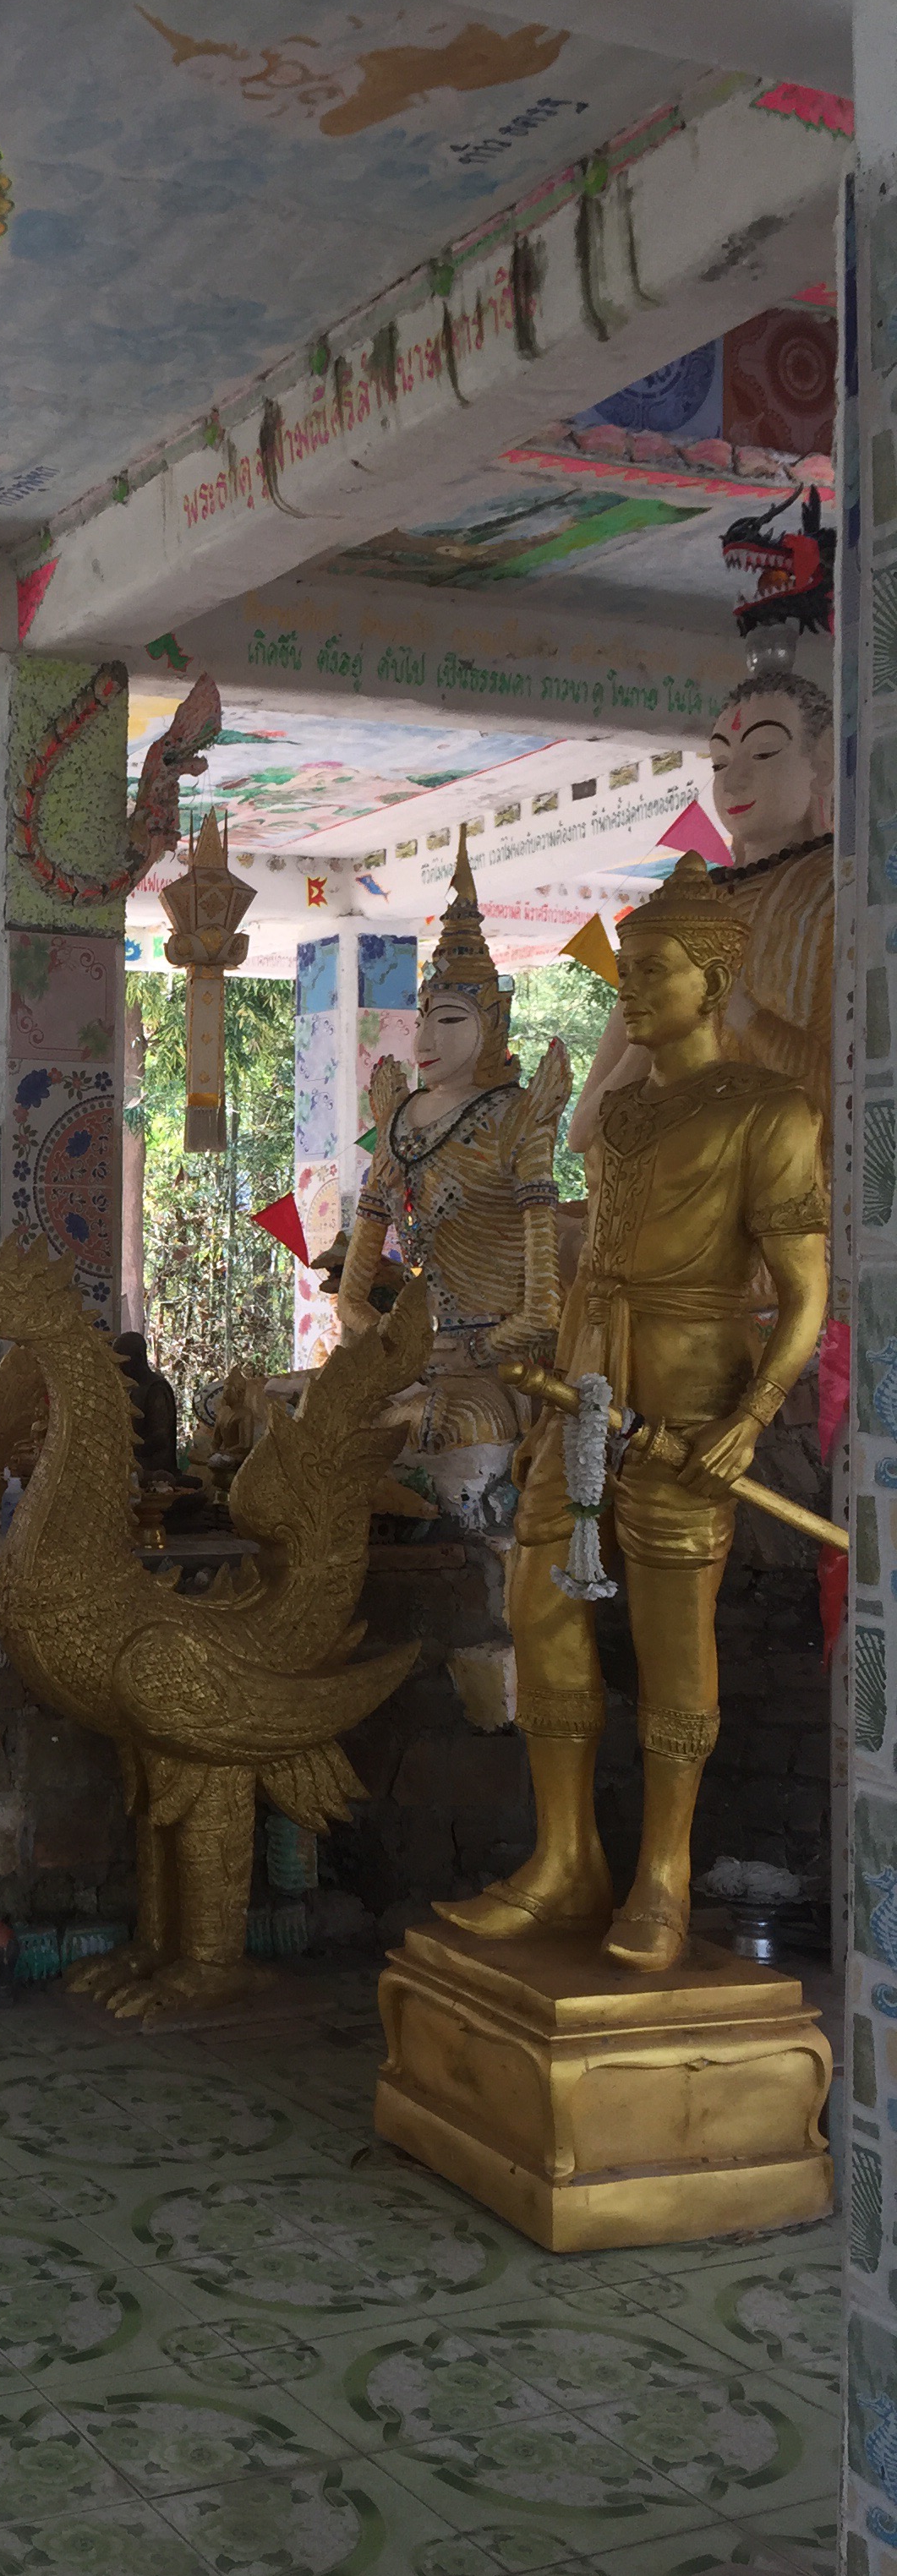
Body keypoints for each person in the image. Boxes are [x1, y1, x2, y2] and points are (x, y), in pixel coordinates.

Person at [436, 859, 828, 1972]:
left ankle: (664, 1872)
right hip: (584, 1387)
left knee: (672, 1634)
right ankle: (566, 1860)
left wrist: (752, 1417)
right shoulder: (618, 1116)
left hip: (691, 1390)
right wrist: (549, 1351)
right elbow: (596, 1255)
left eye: (655, 973)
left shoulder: (769, 1110)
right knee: (540, 1608)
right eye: (627, 974)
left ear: (715, 984)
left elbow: (805, 1292)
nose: (633, 993)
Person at [336, 833, 567, 1448]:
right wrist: (391, 1343)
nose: (425, 1042)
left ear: (493, 1022)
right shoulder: (398, 1120)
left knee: (448, 1424)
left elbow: (543, 1308)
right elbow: (352, 1297)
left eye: (450, 1020)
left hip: (496, 1368)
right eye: (423, 1019)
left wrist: (472, 1350)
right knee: (295, 1408)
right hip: (411, 1361)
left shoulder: (519, 1119)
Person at [570, 674, 834, 1154]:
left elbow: (845, 1100)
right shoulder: (679, 912)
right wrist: (655, 1031)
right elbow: (584, 1131)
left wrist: (739, 1010)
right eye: (720, 762)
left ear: (825, 761)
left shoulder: (842, 894)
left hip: (790, 1171)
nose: (733, 781)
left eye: (764, 753)